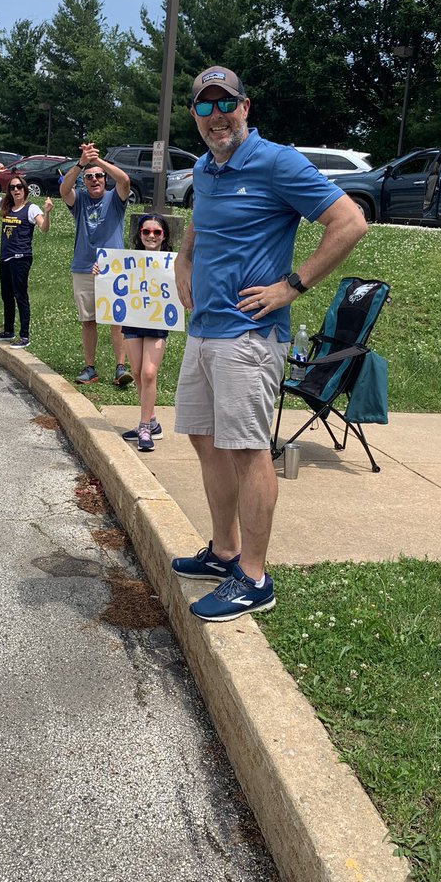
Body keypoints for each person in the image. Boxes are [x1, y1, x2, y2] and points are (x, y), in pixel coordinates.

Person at [171, 66, 367, 622]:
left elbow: (349, 222)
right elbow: (200, 227)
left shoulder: (277, 161)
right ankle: (224, 551)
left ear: (245, 106)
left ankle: (254, 577)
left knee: (248, 451)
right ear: (195, 116)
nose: (216, 117)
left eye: (225, 104)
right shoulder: (206, 170)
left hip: (249, 338)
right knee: (206, 442)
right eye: (205, 107)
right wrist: (184, 259)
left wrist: (292, 285)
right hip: (204, 330)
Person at [59, 142, 133, 387]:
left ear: (104, 178)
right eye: (89, 177)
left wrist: (97, 161)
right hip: (83, 266)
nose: (94, 180)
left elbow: (124, 181)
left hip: (113, 267)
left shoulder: (115, 199)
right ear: (84, 181)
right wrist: (82, 163)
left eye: (98, 176)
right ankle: (90, 368)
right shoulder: (78, 200)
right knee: (88, 320)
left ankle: (120, 367)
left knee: (116, 318)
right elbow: (63, 190)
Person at [117, 213, 173, 452]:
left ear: (164, 236)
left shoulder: (172, 261)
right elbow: (113, 278)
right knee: (138, 372)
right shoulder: (127, 260)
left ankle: (144, 427)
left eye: (157, 232)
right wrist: (102, 271)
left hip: (157, 321)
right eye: (146, 231)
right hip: (132, 319)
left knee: (150, 373)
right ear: (139, 235)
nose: (151, 236)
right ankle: (152, 421)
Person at [0, 165, 53, 347]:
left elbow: (44, 228)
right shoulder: (6, 206)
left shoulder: (31, 209)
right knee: (6, 295)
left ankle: (24, 336)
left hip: (21, 257)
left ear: (25, 190)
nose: (16, 190)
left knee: (19, 294)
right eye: (13, 188)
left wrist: (47, 212)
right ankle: (8, 331)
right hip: (5, 257)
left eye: (19, 187)